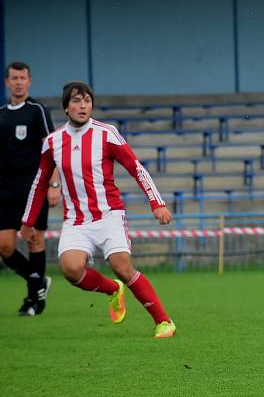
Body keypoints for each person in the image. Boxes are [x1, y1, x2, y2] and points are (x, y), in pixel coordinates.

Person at [20, 81, 177, 338]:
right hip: (76, 220)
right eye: (76, 101)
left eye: (87, 101)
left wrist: (157, 203)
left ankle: (163, 321)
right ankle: (113, 290)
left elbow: (136, 168)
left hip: (109, 215)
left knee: (122, 266)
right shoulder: (53, 142)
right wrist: (27, 221)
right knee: (70, 270)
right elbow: (39, 183)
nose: (83, 106)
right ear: (66, 107)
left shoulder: (107, 134)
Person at [0, 62, 61, 316]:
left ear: (29, 81)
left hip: (34, 186)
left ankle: (33, 300)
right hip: (6, 188)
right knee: (4, 246)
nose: (18, 82)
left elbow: (51, 150)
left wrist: (54, 184)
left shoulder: (37, 110)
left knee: (34, 238)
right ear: (6, 83)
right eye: (14, 78)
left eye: (23, 78)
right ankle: (39, 282)